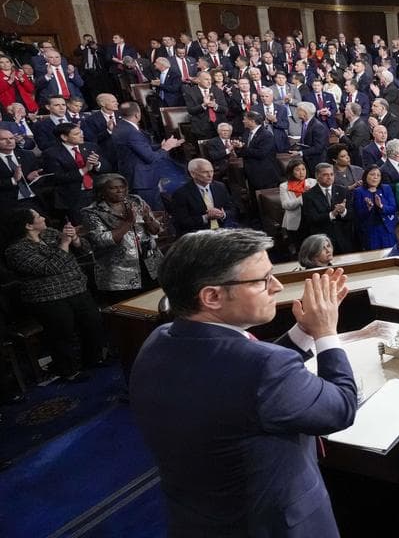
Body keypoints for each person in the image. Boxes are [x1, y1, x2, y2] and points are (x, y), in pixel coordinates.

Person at [130, 230, 357, 536]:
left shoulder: (159, 339)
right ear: (212, 296)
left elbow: (240, 380)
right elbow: (340, 408)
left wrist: (303, 330)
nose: (276, 286)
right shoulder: (263, 368)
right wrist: (326, 332)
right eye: (263, 280)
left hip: (201, 517)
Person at [1, 207, 104, 381]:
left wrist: (76, 239)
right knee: (62, 334)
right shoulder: (16, 250)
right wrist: (64, 244)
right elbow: (49, 268)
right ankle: (69, 371)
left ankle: (93, 360)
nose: (43, 218)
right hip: (48, 297)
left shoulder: (49, 234)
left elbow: (84, 250)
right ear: (28, 225)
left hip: (77, 288)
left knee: (93, 323)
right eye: (38, 217)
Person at [81, 173, 164, 302]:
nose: (120, 190)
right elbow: (103, 241)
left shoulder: (135, 200)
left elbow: (156, 230)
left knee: (157, 301)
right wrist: (128, 222)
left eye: (122, 186)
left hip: (151, 265)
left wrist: (148, 218)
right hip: (120, 273)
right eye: (113, 188)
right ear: (101, 191)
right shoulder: (92, 212)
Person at [169, 158, 237, 235]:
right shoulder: (181, 194)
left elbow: (232, 209)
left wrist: (222, 214)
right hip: (198, 235)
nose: (210, 175)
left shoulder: (220, 187)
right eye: (205, 172)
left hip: (221, 231)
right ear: (193, 174)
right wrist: (206, 217)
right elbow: (182, 222)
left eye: (211, 171)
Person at [302, 162, 356, 255]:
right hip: (323, 240)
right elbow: (311, 218)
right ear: (317, 176)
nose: (329, 177)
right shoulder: (309, 195)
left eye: (331, 174)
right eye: (325, 175)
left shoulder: (343, 190)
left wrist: (343, 211)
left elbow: (352, 215)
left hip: (344, 238)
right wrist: (332, 214)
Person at [353, 165, 397, 249]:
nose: (375, 177)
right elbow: (358, 214)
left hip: (387, 229)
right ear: (365, 176)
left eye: (378, 175)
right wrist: (368, 208)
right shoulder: (359, 191)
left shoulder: (386, 188)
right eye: (372, 174)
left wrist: (381, 206)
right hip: (370, 231)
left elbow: (393, 207)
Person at [279, 158, 315, 251]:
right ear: (291, 172)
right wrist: (303, 196)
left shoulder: (312, 182)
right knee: (302, 248)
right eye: (297, 170)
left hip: (312, 218)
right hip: (295, 221)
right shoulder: (284, 186)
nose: (301, 172)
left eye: (303, 169)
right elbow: (286, 205)